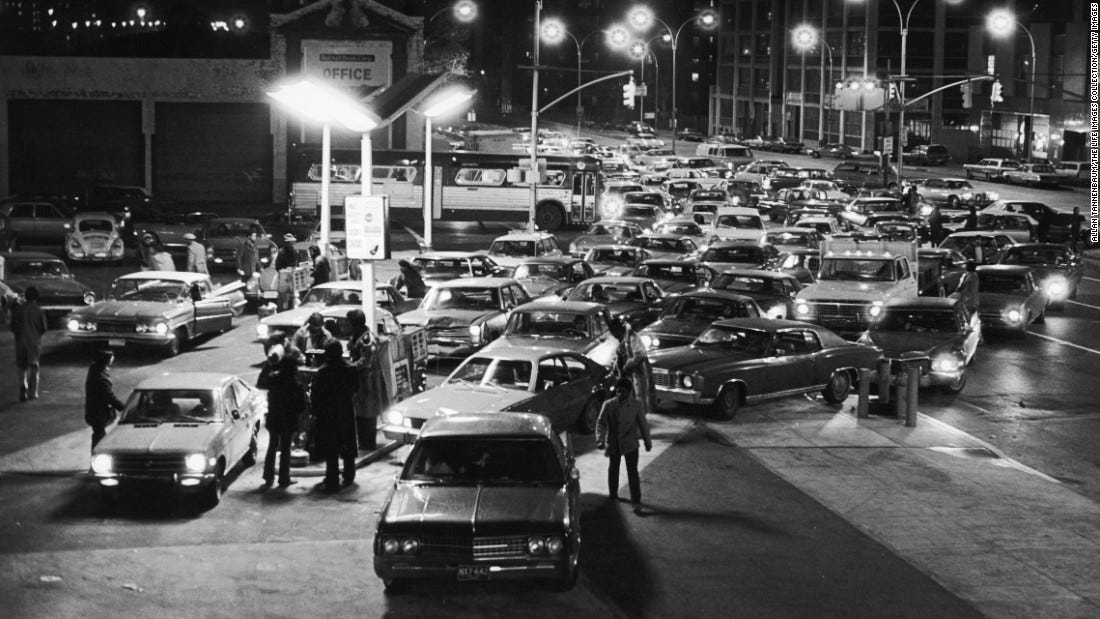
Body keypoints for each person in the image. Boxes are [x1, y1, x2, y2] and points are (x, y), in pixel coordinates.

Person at [596, 377, 652, 513]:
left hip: (630, 443)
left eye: (623, 392)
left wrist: (647, 441)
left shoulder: (636, 405)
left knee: (632, 472)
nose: (620, 395)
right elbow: (601, 423)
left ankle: (636, 501)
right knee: (613, 470)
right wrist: (600, 439)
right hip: (614, 443)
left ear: (629, 392)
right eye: (618, 392)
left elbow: (642, 423)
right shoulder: (609, 405)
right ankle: (613, 495)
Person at [256, 339, 305, 488]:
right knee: (285, 449)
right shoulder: (296, 385)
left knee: (272, 446)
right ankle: (284, 478)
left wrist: (269, 365)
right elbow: (301, 407)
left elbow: (260, 382)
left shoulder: (273, 379)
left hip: (274, 418)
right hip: (289, 420)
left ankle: (268, 476)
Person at [310, 340, 359, 491]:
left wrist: (316, 412)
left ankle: (332, 478)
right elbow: (356, 389)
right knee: (347, 446)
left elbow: (315, 396)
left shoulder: (323, 372)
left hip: (328, 415)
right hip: (346, 412)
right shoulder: (351, 369)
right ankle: (349, 476)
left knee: (331, 448)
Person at [346, 309, 389, 450]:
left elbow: (365, 362)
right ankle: (363, 442)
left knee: (368, 416)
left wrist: (347, 365)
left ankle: (368, 444)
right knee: (359, 415)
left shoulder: (367, 339)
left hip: (368, 385)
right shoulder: (357, 336)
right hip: (359, 384)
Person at [610, 317, 654, 415]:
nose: (613, 336)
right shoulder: (623, 339)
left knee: (639, 400)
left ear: (617, 330)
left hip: (638, 375)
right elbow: (619, 356)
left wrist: (626, 366)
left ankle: (640, 424)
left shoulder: (632, 337)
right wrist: (615, 369)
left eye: (613, 333)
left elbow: (640, 355)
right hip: (629, 377)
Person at [10, 286, 47, 401]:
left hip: (20, 341)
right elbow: (43, 328)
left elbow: (12, 326)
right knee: (34, 367)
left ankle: (23, 386)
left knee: (21, 367)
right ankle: (32, 392)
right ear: (37, 297)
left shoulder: (18, 309)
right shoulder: (39, 310)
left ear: (25, 296)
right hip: (34, 342)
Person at [84, 349, 125, 450]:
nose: (113, 359)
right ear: (107, 361)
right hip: (99, 413)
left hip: (92, 410)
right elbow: (109, 397)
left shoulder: (94, 369)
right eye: (111, 358)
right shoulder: (102, 378)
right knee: (99, 436)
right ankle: (96, 455)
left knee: (98, 434)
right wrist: (124, 408)